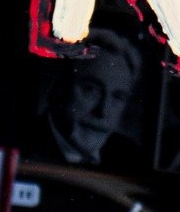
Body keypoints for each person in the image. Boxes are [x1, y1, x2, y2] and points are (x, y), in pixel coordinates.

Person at [31, 25, 143, 169]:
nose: (103, 111)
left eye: (118, 97)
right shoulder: (21, 145)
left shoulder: (131, 158)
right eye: (91, 89)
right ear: (59, 85)